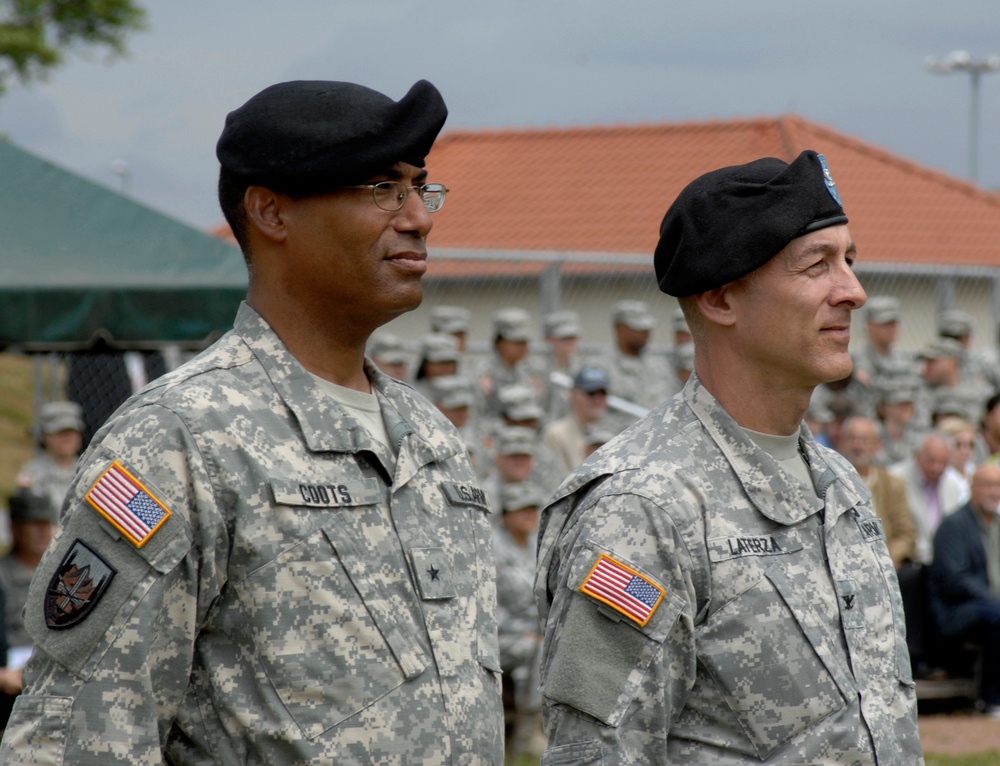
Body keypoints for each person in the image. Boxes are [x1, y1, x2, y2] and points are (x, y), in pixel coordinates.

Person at [0, 79, 503, 764]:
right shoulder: (179, 439)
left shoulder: (430, 438)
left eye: (421, 187)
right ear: (271, 212)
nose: (419, 217)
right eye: (382, 188)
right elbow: (78, 739)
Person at [535, 150, 922, 763]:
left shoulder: (837, 481)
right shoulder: (643, 509)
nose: (853, 291)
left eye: (849, 260)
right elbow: (600, 751)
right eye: (816, 265)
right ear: (720, 301)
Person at [928, 463, 1000, 715]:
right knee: (997, 615)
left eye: (997, 486)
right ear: (972, 488)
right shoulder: (954, 525)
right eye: (987, 485)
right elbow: (954, 579)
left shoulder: (998, 525)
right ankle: (990, 700)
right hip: (956, 610)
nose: (993, 492)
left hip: (990, 605)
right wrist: (992, 600)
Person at [0, 489, 58, 728]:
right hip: (10, 684)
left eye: (47, 523)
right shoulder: (3, 576)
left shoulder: (64, 576)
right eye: (34, 523)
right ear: (15, 528)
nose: (43, 531)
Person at [836, 416, 917, 569]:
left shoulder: (892, 484)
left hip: (884, 562)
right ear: (842, 442)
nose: (858, 446)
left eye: (865, 440)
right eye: (852, 439)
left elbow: (905, 533)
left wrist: (889, 558)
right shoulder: (830, 482)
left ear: (877, 445)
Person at [15, 400, 85, 516]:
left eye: (71, 432)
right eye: (60, 432)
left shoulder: (88, 471)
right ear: (44, 436)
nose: (66, 438)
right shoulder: (33, 474)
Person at [542, 366, 612, 473]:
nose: (597, 400)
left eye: (602, 393)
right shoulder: (557, 434)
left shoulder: (613, 433)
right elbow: (556, 479)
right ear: (574, 396)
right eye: (591, 393)